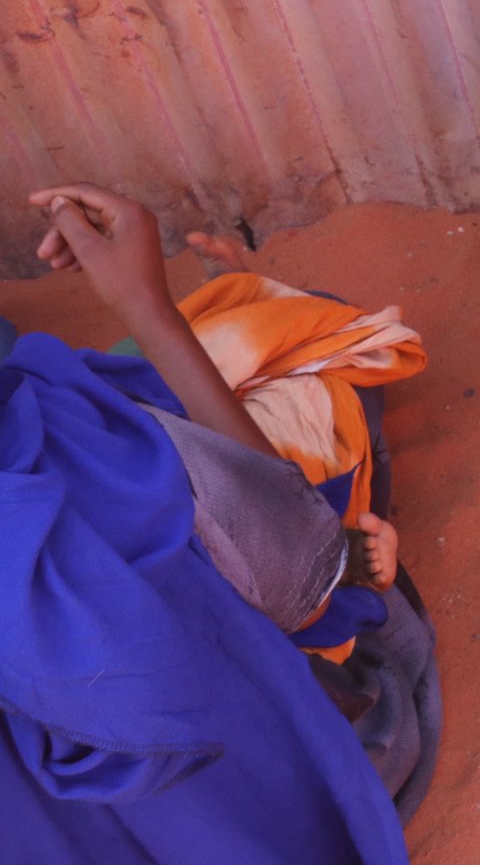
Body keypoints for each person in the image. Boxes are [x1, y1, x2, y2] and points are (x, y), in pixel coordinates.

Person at [3, 186, 418, 861]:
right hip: (295, 763)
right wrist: (147, 306)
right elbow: (300, 569)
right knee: (288, 345)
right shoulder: (59, 454)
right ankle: (234, 295)